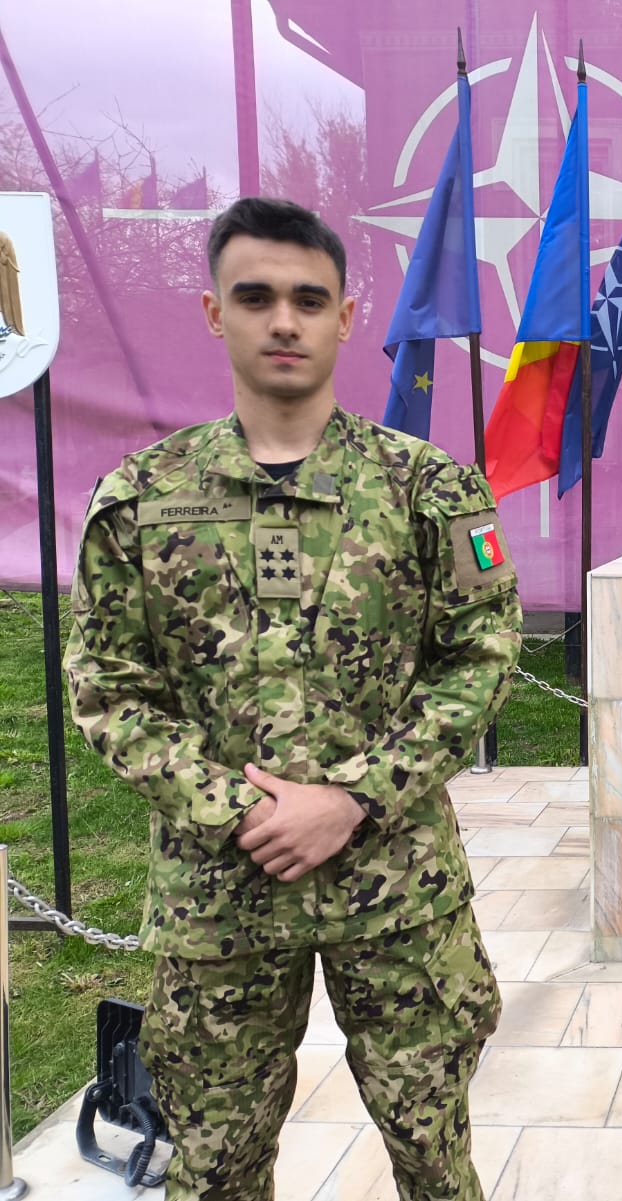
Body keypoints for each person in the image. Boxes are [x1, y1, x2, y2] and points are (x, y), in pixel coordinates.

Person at [65, 197, 522, 1201]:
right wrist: (242, 809)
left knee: (434, 1159)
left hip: (394, 892)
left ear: (347, 317)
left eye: (310, 300)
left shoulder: (428, 489)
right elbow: (107, 688)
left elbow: (481, 657)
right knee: (216, 1171)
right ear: (213, 311)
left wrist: (352, 797)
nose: (284, 321)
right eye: (256, 296)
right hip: (221, 900)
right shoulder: (144, 497)